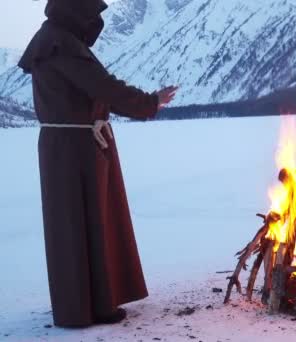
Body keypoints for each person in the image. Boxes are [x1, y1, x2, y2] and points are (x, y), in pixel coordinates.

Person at [18, 0, 178, 327]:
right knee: (81, 224)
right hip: (74, 150)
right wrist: (151, 101)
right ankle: (85, 308)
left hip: (72, 146)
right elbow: (104, 87)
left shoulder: (54, 39)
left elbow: (97, 90)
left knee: (80, 224)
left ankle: (86, 304)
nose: (94, 20)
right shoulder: (60, 43)